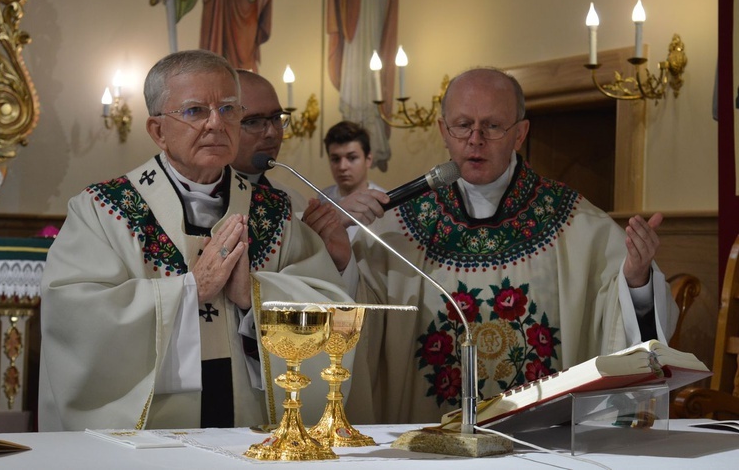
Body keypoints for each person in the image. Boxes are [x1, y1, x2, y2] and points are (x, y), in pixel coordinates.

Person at [38, 50, 353, 431]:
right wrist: (189, 290)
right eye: (194, 112)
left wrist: (253, 295)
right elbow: (75, 317)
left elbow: (331, 309)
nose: (216, 124)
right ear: (157, 131)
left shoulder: (275, 211)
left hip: (252, 421)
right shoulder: (103, 210)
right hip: (153, 432)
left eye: (229, 109)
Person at [347, 67, 679, 425]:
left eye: (492, 126)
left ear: (520, 133)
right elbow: (355, 312)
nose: (475, 139)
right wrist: (339, 251)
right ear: (444, 131)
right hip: (430, 439)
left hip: (540, 441)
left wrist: (636, 278)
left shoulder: (574, 222)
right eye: (462, 125)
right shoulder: (398, 226)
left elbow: (628, 321)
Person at [230, 69, 307, 213]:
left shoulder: (293, 201)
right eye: (253, 122)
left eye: (276, 117)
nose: (272, 132)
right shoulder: (203, 205)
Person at [319, 121, 387, 240]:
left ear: (368, 159)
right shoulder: (323, 199)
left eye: (352, 158)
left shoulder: (384, 201)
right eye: (335, 159)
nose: (342, 167)